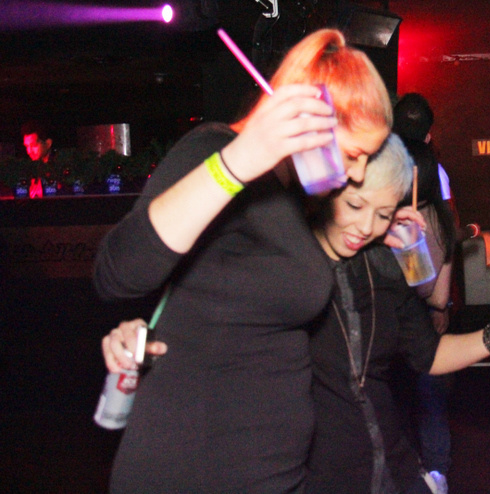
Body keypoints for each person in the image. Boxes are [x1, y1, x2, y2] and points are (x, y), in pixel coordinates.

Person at [101, 134, 490, 493]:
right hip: (314, 477)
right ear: (324, 194)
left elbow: (427, 355)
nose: (366, 226)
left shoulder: (382, 265)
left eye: (383, 214)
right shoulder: (283, 275)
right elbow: (204, 320)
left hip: (393, 469)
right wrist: (136, 334)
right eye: (355, 205)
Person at [93, 29, 394, 493]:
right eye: (354, 155)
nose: (356, 174)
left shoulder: (290, 194)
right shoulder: (214, 151)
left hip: (264, 472)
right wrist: (237, 162)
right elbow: (118, 272)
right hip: (196, 469)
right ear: (307, 121)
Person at [393, 92, 460, 491]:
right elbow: (432, 292)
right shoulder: (436, 206)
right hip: (417, 317)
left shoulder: (387, 211)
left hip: (393, 321)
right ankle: (436, 473)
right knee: (429, 396)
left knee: (399, 402)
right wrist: (441, 305)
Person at [20, 120, 55, 198]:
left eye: (34, 145)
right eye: (26, 146)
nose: (29, 151)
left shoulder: (60, 165)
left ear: (48, 143)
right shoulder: (29, 167)